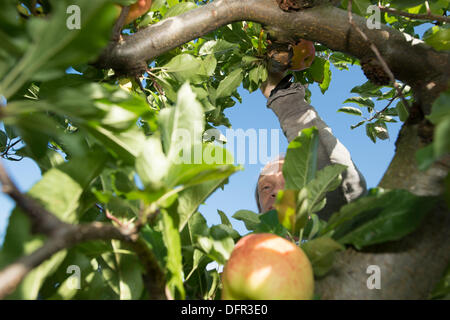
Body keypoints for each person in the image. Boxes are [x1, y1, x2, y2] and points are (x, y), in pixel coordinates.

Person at [256, 71, 367, 221]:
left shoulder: (339, 231)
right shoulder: (243, 244)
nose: (275, 191)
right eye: (266, 187)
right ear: (259, 209)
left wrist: (285, 99)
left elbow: (336, 180)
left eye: (288, 182)